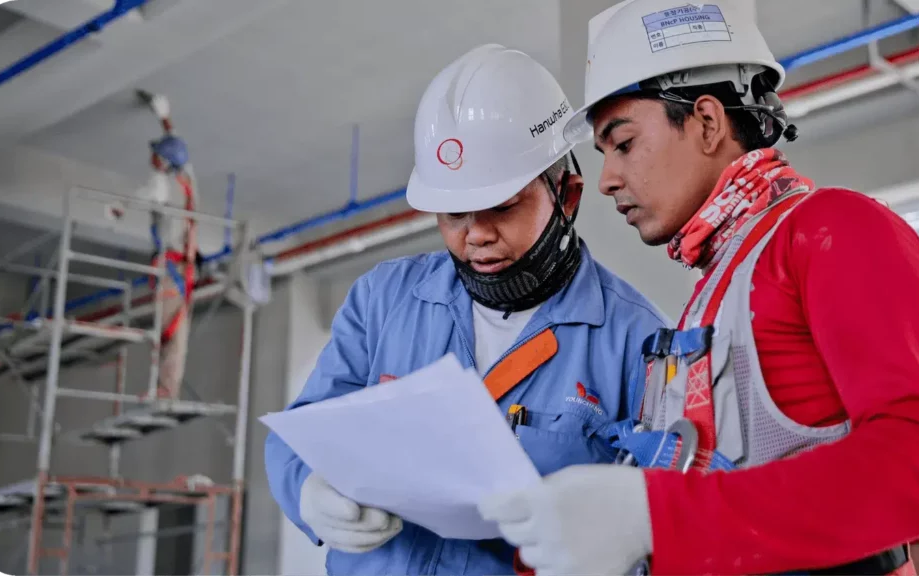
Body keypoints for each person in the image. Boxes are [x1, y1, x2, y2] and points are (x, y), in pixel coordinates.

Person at [478, 2, 919, 575]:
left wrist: (655, 517)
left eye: (623, 143)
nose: (608, 178)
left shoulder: (833, 230)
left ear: (708, 122)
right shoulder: (712, 296)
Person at [265, 43, 669, 576]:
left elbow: (662, 518)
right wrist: (309, 491)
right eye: (454, 212)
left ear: (567, 197)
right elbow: (301, 431)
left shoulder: (638, 342)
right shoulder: (382, 302)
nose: (476, 235)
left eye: (503, 207)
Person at [136, 91, 199, 400]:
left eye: (156, 154)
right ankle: (166, 388)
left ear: (162, 161)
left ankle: (164, 390)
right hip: (182, 266)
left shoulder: (161, 185)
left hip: (169, 269)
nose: (152, 157)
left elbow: (139, 196)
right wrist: (164, 117)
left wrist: (116, 210)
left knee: (168, 332)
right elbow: (177, 147)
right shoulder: (187, 179)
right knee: (176, 330)